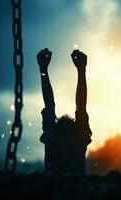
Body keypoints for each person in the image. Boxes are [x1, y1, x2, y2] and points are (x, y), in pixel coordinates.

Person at [37, 48, 92, 176]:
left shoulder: (52, 138)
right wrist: (81, 70)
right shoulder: (78, 139)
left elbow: (49, 104)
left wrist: (43, 69)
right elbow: (81, 106)